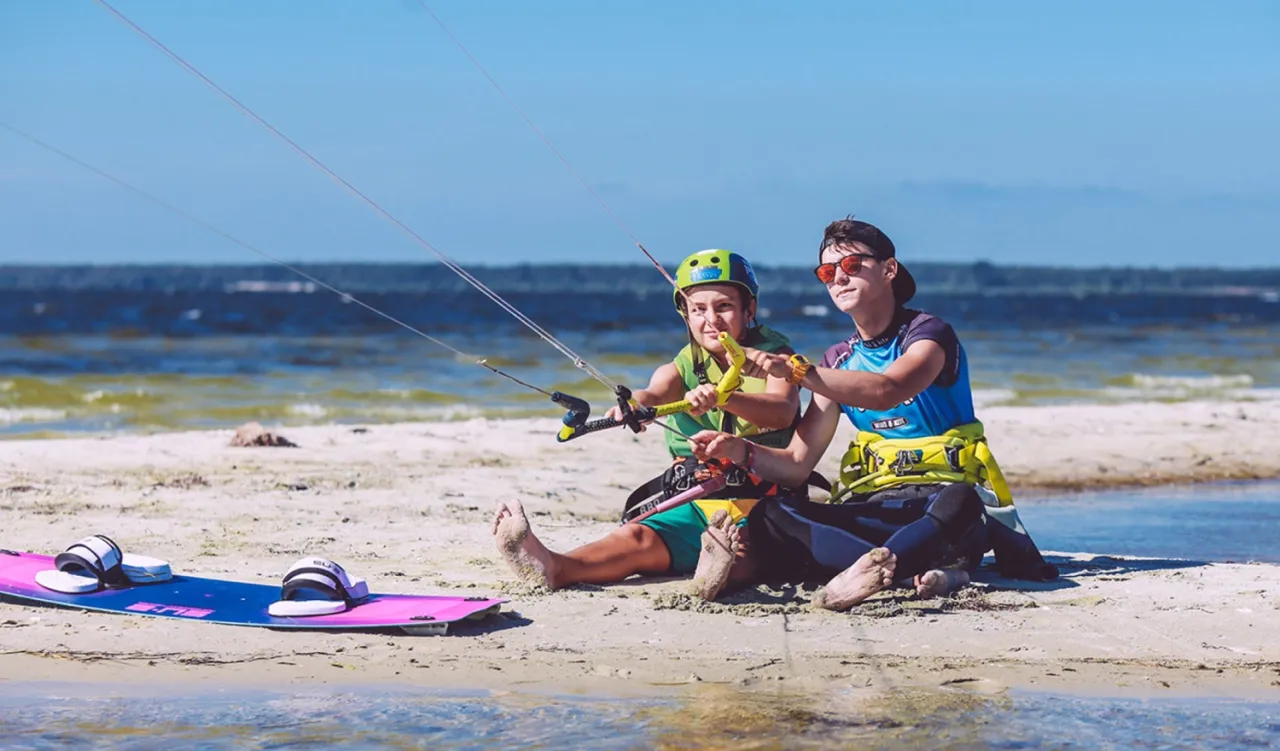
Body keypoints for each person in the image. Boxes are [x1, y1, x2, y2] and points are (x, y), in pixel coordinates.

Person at [686, 217, 1055, 610]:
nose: (838, 280)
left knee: (964, 501)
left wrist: (796, 371)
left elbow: (886, 390)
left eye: (851, 266)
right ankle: (894, 569)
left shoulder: (929, 334)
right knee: (772, 512)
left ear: (889, 269)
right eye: (827, 273)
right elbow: (796, 464)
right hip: (877, 508)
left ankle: (888, 568)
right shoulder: (837, 360)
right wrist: (736, 449)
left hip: (940, 506)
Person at [491, 249, 813, 590]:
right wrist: (632, 406)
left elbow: (781, 411)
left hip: (765, 507)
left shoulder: (776, 357)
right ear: (685, 315)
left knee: (743, 552)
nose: (711, 320)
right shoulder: (684, 364)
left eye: (724, 307)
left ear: (749, 309)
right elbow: (654, 392)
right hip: (699, 501)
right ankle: (553, 565)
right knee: (637, 538)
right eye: (698, 310)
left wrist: (724, 397)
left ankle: (715, 569)